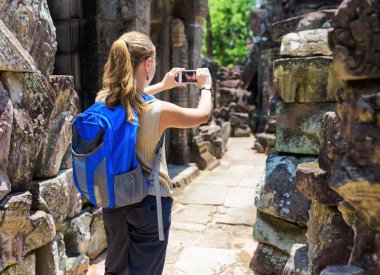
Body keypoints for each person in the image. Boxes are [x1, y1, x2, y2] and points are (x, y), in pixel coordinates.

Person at [95, 31, 213, 275]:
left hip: (114, 201)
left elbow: (130, 96)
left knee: (115, 269)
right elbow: (202, 115)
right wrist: (206, 87)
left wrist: (162, 85)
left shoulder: (103, 101)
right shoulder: (159, 111)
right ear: (147, 63)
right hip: (149, 201)